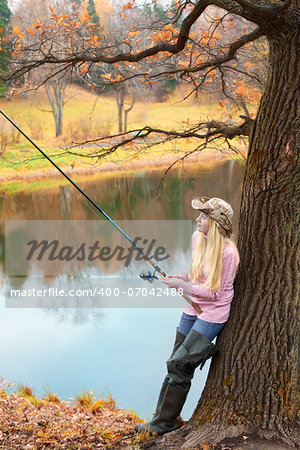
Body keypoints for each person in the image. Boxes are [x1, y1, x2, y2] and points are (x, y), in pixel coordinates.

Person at [135, 197, 240, 436]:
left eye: (203, 217)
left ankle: (165, 423)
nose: (197, 220)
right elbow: (194, 273)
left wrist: (181, 287)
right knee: (175, 360)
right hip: (192, 307)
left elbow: (214, 292)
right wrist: (179, 278)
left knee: (180, 365)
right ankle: (158, 418)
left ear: (214, 223)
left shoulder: (227, 253)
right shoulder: (197, 239)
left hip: (213, 312)